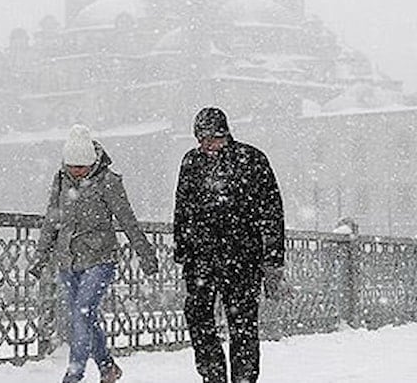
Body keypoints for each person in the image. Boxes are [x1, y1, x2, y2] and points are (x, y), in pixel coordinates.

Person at [30, 124, 159, 383]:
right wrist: (41, 255)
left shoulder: (109, 182)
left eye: (82, 167)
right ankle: (107, 366)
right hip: (67, 259)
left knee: (82, 312)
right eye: (72, 166)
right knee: (84, 317)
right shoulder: (60, 180)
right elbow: (51, 220)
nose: (76, 172)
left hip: (100, 258)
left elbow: (127, 219)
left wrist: (145, 254)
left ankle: (74, 373)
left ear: (92, 162)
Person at [174, 107, 285, 383]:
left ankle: (244, 379)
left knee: (243, 325)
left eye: (213, 138)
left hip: (242, 258)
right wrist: (182, 249)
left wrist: (272, 257)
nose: (207, 145)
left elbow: (271, 211)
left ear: (225, 134)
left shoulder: (252, 160)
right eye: (202, 139)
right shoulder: (191, 162)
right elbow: (182, 207)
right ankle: (213, 376)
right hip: (200, 258)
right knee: (199, 319)